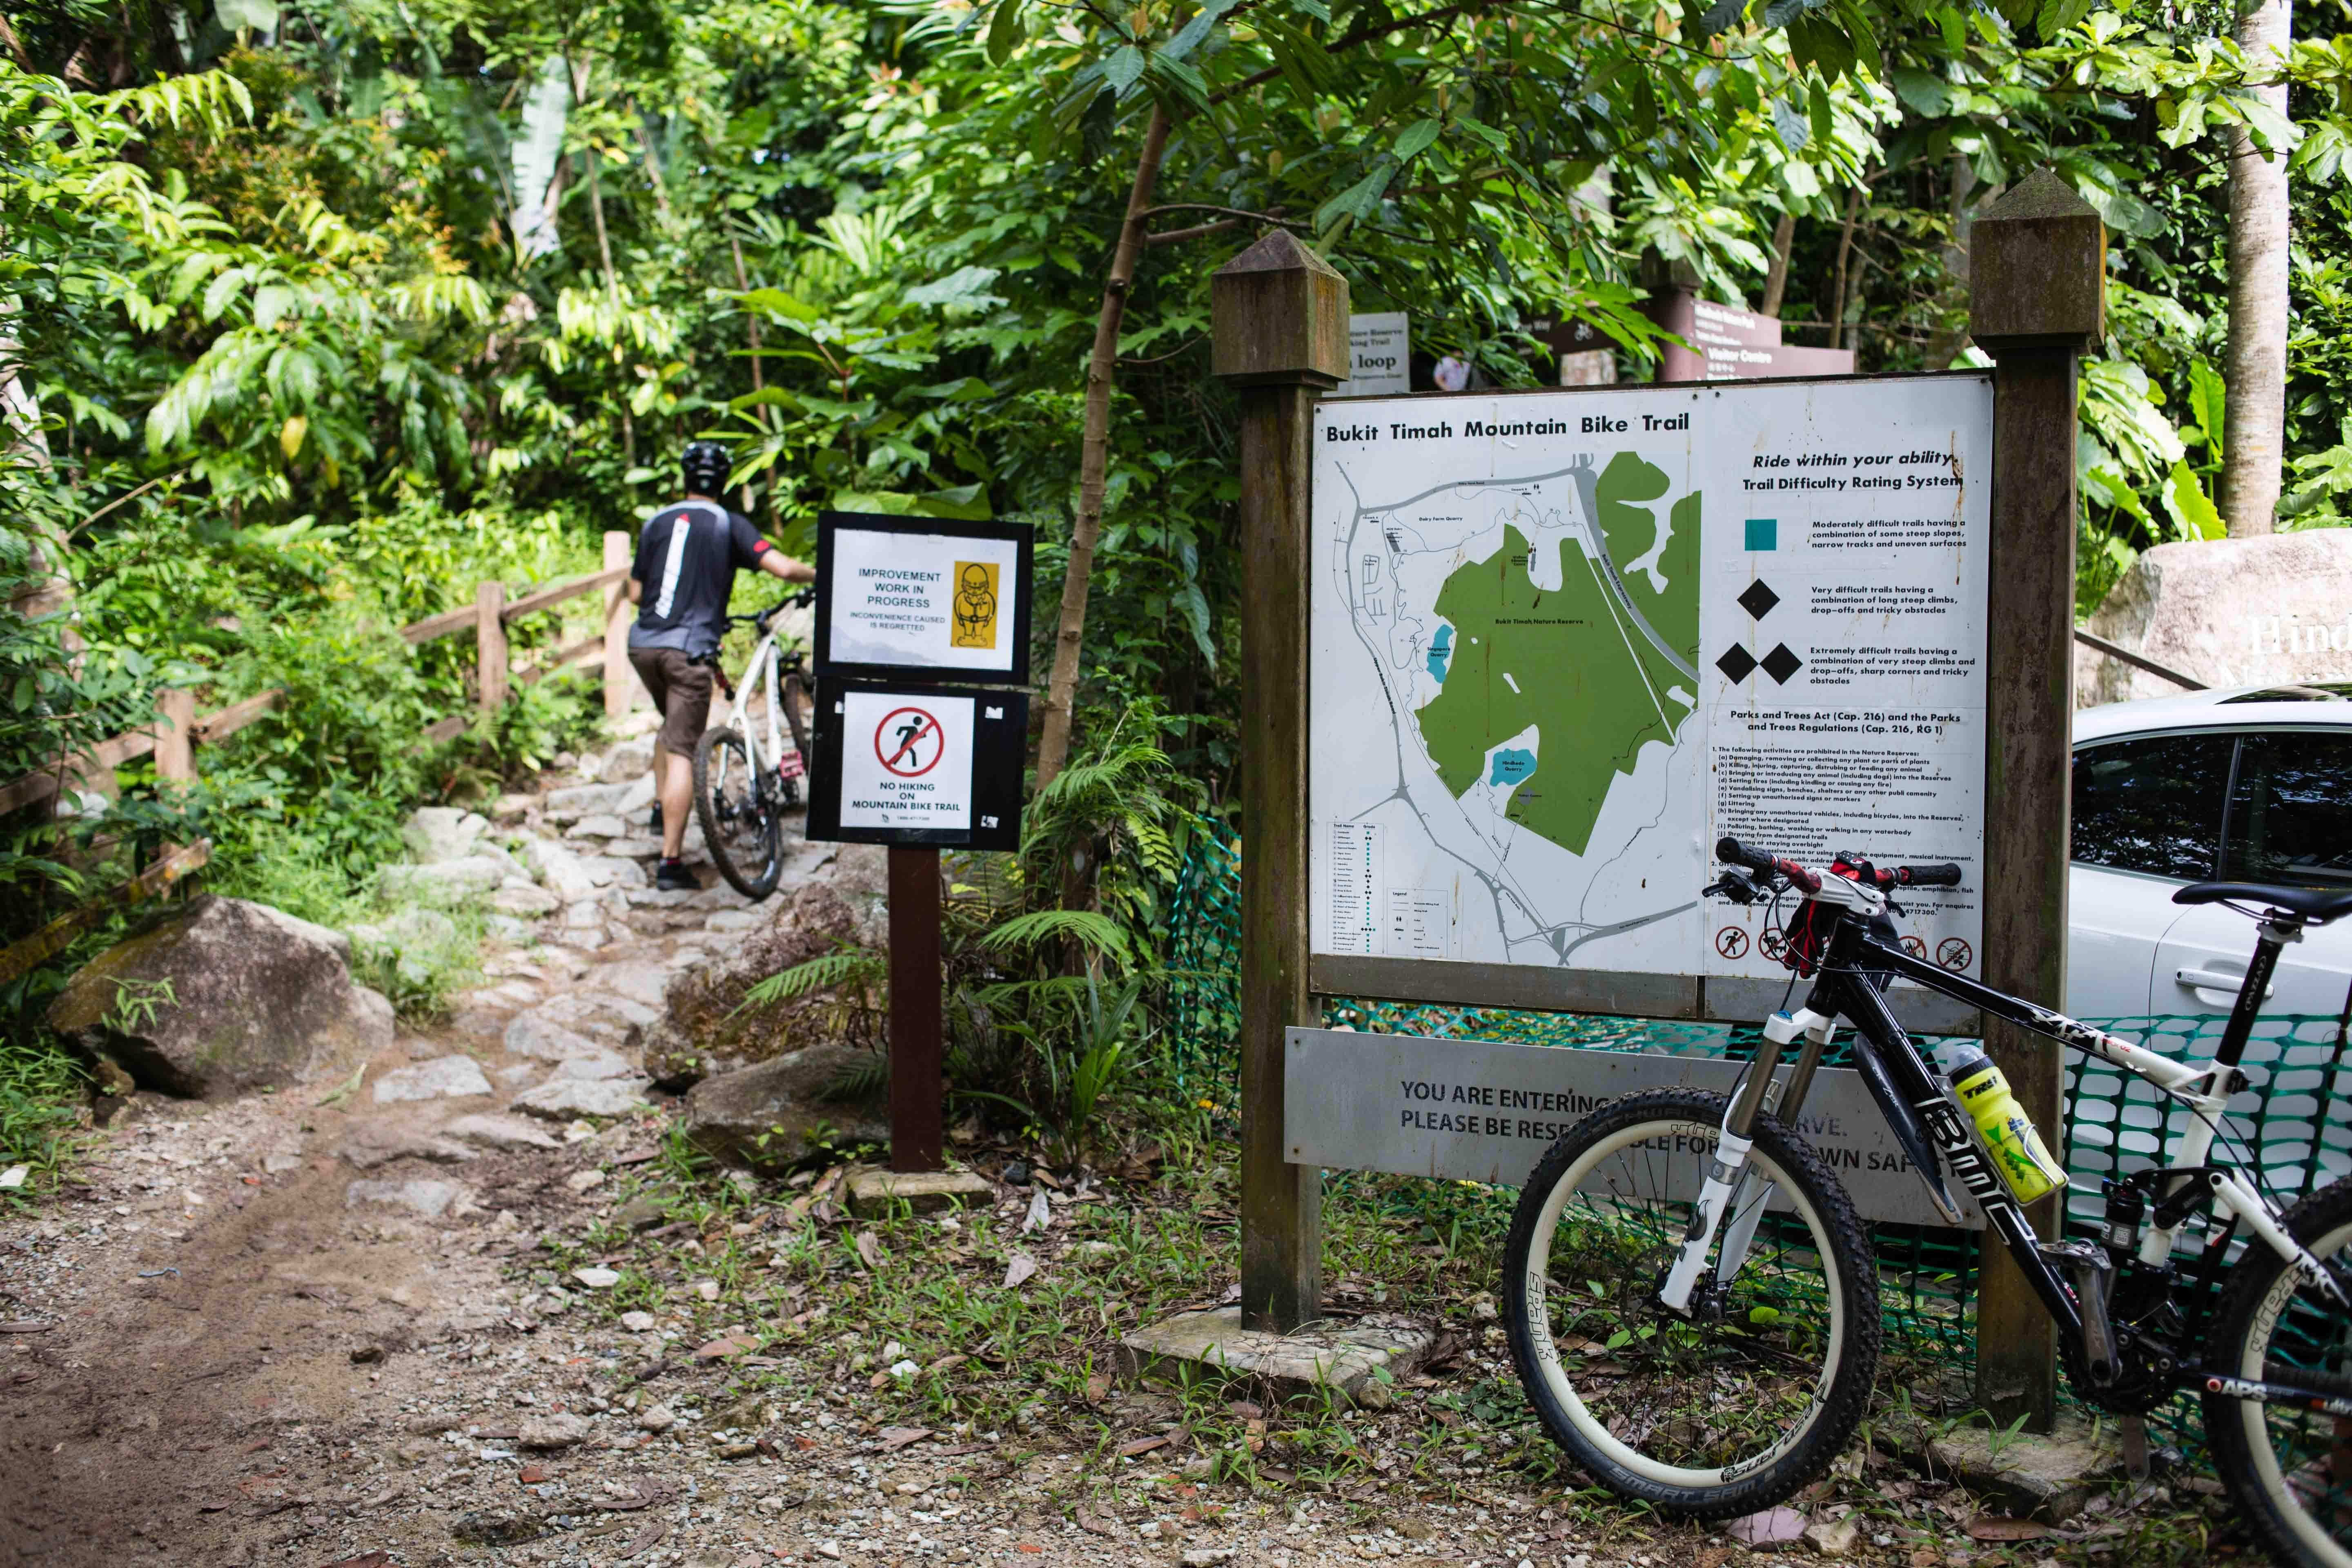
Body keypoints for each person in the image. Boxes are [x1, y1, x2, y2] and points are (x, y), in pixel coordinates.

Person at [626, 441, 815, 891]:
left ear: (685, 478)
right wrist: (823, 572)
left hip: (643, 645)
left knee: (671, 729)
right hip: (689, 649)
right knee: (684, 752)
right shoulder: (728, 523)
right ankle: (670, 863)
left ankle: (660, 808)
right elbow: (783, 569)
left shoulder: (655, 522)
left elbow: (635, 593)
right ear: (724, 480)